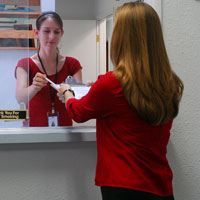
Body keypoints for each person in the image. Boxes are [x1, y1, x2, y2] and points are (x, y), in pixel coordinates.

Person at [58, 2, 183, 200]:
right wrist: (95, 91)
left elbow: (79, 112)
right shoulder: (170, 83)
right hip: (161, 186)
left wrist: (67, 92)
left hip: (122, 187)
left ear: (122, 38)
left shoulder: (111, 83)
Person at [15, 11, 83, 127]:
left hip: (65, 131)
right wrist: (34, 87)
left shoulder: (72, 64)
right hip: (33, 133)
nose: (52, 36)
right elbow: (20, 98)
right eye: (46, 31)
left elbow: (79, 100)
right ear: (36, 33)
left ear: (62, 33)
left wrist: (69, 96)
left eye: (56, 32)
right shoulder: (25, 64)